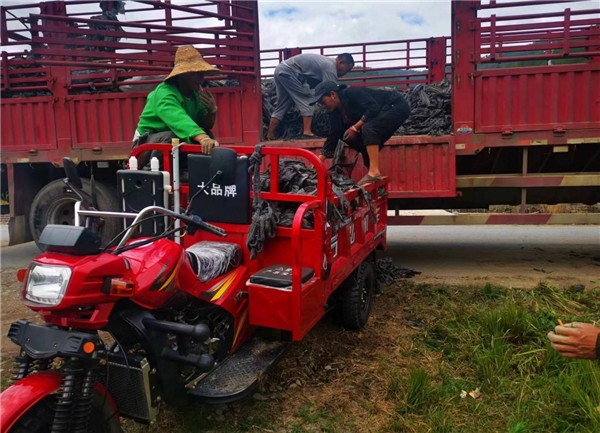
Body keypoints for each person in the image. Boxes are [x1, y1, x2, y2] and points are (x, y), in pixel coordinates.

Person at [132, 45, 220, 166]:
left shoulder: (194, 94)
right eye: (197, 74)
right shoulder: (165, 93)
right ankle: (153, 170)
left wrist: (212, 111)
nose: (201, 78)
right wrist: (202, 138)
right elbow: (178, 119)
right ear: (183, 75)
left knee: (208, 134)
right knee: (173, 137)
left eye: (202, 73)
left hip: (170, 142)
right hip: (144, 146)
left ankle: (198, 170)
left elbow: (206, 125)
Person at [313, 81, 411, 186]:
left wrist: (355, 128)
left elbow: (373, 108)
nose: (323, 105)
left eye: (323, 101)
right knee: (349, 137)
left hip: (396, 105)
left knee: (368, 128)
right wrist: (315, 165)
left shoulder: (353, 93)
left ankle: (374, 173)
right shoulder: (334, 114)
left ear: (333, 94)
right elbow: (334, 136)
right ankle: (376, 180)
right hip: (380, 113)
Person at [266, 53, 355, 140]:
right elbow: (331, 92)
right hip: (290, 71)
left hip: (281, 70)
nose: (345, 73)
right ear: (340, 62)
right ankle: (307, 133)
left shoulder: (327, 63)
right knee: (308, 100)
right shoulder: (331, 68)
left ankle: (270, 135)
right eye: (346, 70)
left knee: (283, 105)